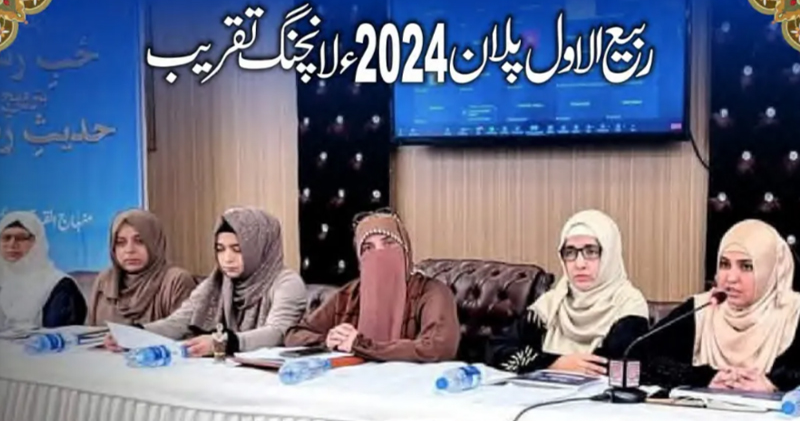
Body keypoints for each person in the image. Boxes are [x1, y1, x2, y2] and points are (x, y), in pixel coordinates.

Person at [106, 207, 307, 357]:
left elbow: (277, 333)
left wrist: (223, 342)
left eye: (237, 249)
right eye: (220, 249)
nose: (227, 259)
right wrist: (134, 334)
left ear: (260, 248)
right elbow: (179, 322)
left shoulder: (287, 283)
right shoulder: (217, 282)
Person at [642, 219, 800, 392]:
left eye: (746, 266)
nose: (731, 278)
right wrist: (704, 378)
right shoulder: (703, 308)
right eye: (724, 264)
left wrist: (775, 385)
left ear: (771, 270)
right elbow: (641, 357)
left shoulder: (794, 313)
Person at [486, 209, 650, 375]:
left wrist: (545, 363)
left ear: (610, 254)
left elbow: (617, 366)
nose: (579, 264)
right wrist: (553, 364)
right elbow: (496, 351)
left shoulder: (628, 304)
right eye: (570, 253)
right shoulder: (551, 305)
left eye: (591, 252)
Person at [284, 210, 460, 363]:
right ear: (360, 260)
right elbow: (294, 335)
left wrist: (361, 345)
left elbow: (438, 347)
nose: (379, 254)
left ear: (406, 251)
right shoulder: (349, 295)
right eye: (368, 248)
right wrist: (327, 340)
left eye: (388, 243)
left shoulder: (431, 292)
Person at [88, 209, 196, 326]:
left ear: (155, 243)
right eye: (121, 242)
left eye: (140, 241)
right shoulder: (104, 281)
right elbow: (89, 331)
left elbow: (184, 332)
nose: (129, 250)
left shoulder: (176, 281)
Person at [0, 211, 86, 329]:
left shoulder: (60, 286)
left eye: (21, 238)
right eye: (6, 238)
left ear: (37, 242)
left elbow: (62, 335)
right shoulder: (3, 282)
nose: (12, 244)